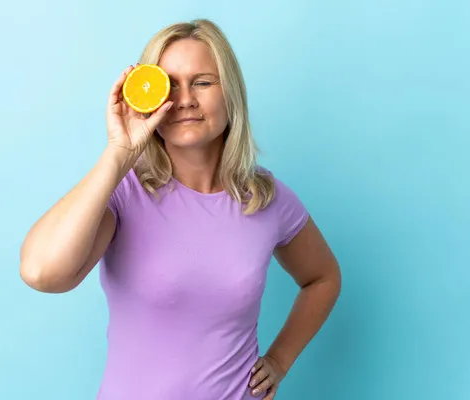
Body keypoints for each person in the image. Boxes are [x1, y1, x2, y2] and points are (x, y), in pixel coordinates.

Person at [19, 18, 342, 400]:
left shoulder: (265, 198)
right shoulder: (123, 194)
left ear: (230, 93)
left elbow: (323, 278)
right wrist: (118, 156)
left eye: (203, 82)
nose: (185, 98)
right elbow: (42, 273)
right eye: (169, 85)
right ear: (150, 97)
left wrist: (279, 360)